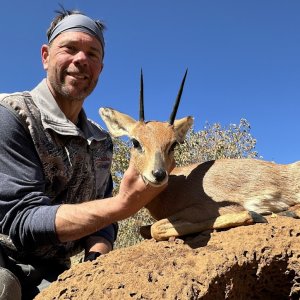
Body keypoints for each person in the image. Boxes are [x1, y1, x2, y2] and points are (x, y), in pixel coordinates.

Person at [0, 8, 165, 300]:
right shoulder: (11, 115)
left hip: (53, 273)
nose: (81, 60)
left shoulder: (101, 141)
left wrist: (95, 265)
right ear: (45, 56)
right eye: (70, 48)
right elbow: (22, 220)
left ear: (100, 67)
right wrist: (123, 205)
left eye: (93, 53)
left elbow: (102, 223)